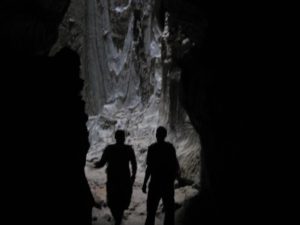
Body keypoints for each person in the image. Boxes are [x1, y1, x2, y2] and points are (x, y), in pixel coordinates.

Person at [95, 130, 137, 225]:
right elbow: (134, 164)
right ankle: (119, 219)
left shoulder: (109, 149)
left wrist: (93, 165)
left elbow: (101, 163)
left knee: (113, 201)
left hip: (113, 180)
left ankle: (117, 219)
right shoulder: (129, 149)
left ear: (115, 137)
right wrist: (133, 176)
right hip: (124, 179)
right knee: (122, 200)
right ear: (124, 138)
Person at [142, 126, 180, 225]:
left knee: (151, 212)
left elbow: (149, 168)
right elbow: (175, 165)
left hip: (155, 184)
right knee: (169, 212)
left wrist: (144, 183)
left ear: (156, 135)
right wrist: (174, 178)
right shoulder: (170, 148)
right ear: (165, 135)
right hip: (167, 184)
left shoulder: (152, 148)